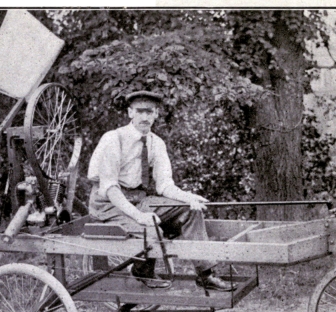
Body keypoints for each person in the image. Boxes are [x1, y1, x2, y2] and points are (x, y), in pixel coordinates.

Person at [87, 90, 234, 291]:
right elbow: (110, 188)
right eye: (140, 111)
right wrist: (140, 217)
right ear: (130, 113)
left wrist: (187, 197)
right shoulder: (113, 139)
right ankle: (142, 270)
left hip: (139, 199)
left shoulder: (156, 143)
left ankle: (205, 274)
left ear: (156, 114)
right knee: (150, 231)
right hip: (108, 205)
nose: (145, 117)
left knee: (190, 210)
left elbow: (164, 185)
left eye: (150, 112)